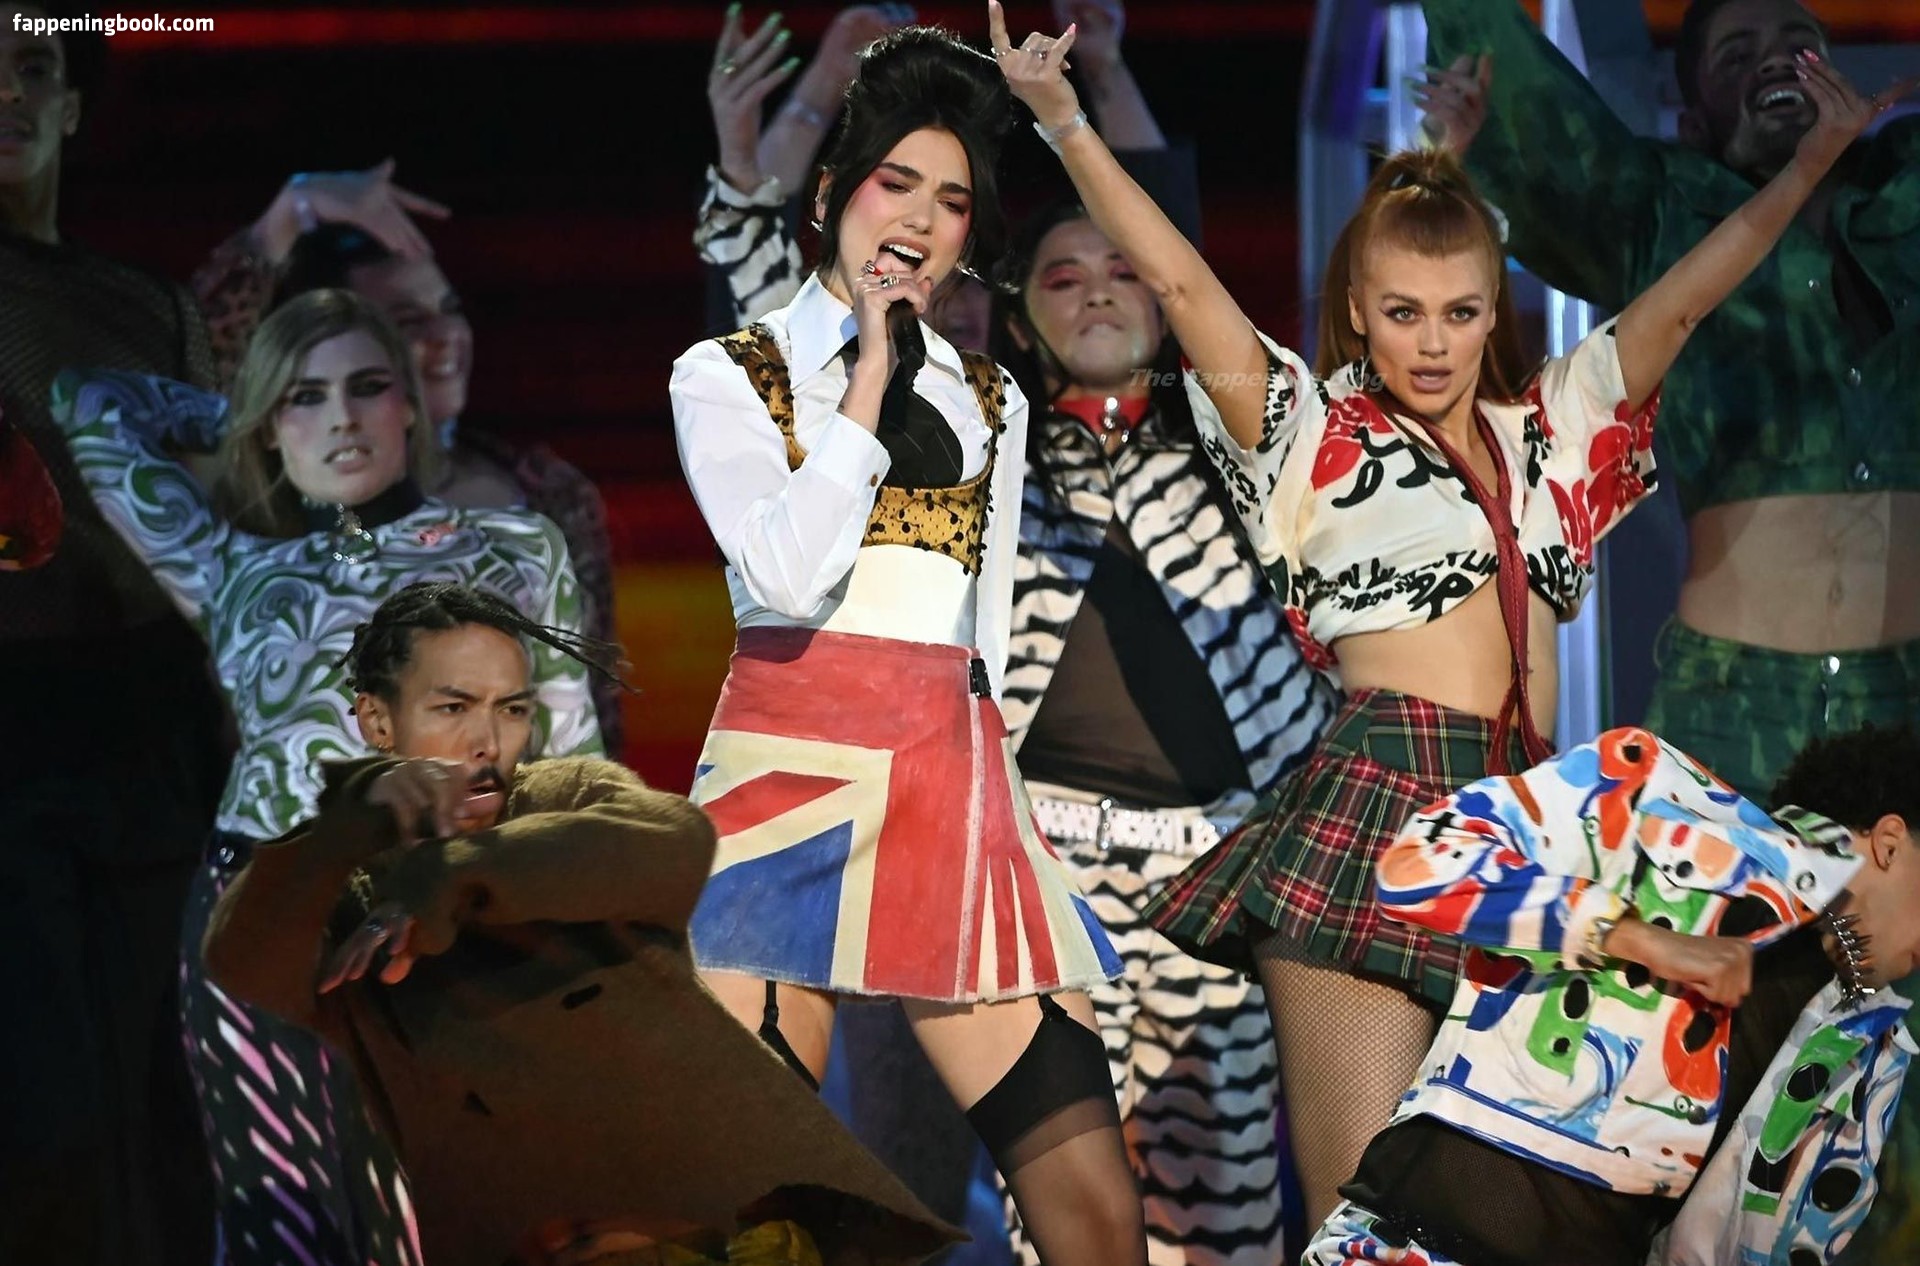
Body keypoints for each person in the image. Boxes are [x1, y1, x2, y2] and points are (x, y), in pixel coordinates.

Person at [986, 0, 1893, 1224]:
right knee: (1366, 1226)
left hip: (1527, 822)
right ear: (1360, 311)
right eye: (1403, 313)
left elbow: (1682, 300)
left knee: (1515, 1225)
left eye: (1461, 313)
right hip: (1374, 811)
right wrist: (1064, 121)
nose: (1433, 343)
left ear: (1490, 311)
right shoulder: (1310, 434)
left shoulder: (1551, 430)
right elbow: (1183, 284)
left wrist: (1812, 165)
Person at [701, 7, 1323, 1262]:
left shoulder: (1211, 445)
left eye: (1119, 273)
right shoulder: (967, 434)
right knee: (953, 1202)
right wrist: (800, 113)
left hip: (1198, 859)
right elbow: (786, 309)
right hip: (995, 839)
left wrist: (1099, 83)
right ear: (1021, 316)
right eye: (1061, 277)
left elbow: (1175, 249)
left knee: (1213, 1210)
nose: (1098, 290)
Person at [1416, 4, 1920, 1253]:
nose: (1772, 61)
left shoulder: (1909, 201)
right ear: (1691, 111)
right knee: (1712, 1044)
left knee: (1900, 1053)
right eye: (1732, 55)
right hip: (1734, 711)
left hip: (1906, 711)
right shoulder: (1661, 213)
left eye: (1792, 36)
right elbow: (1521, 92)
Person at [672, 25, 1147, 1266]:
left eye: (953, 200)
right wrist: (869, 381)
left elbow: (981, 630)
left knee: (1095, 1213)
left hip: (948, 790)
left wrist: (1007, 820)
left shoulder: (989, 397)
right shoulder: (728, 374)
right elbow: (786, 577)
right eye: (897, 183)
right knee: (758, 1220)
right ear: (833, 191)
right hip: (785, 789)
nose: (922, 221)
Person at [51, 289, 603, 1265]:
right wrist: (241, 410)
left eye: (367, 387)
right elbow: (84, 399)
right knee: (279, 1233)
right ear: (270, 427)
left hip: (433, 920)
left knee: (428, 1226)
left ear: (409, 407)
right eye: (306, 397)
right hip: (255, 919)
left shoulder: (516, 547)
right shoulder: (234, 571)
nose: (341, 417)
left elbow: (572, 766)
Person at [201, 580, 960, 1266]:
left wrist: (455, 877)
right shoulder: (349, 897)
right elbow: (242, 960)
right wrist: (344, 830)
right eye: (452, 708)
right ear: (376, 719)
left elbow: (675, 842)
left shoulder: (562, 798)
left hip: (717, 1229)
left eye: (512, 710)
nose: (486, 742)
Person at [1302, 723, 1919, 1266]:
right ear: (1890, 842)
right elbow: (1423, 862)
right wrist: (1638, 938)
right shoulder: (1657, 792)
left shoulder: (1871, 1057)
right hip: (1414, 1242)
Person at [0, 5, 226, 1262]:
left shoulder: (145, 307)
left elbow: (223, 517)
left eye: (34, 68)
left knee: (170, 1091)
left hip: (151, 727)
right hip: (10, 725)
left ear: (72, 105)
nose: (8, 94)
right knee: (47, 1110)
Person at [187, 172, 623, 751]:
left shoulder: (548, 493)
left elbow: (592, 712)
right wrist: (284, 218)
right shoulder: (282, 513)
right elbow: (193, 369)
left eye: (449, 308)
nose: (445, 336)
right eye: (408, 322)